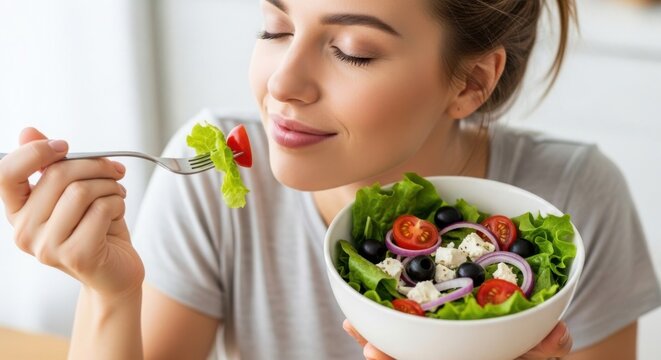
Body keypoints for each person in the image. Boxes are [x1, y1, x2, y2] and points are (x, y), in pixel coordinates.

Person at [1, 0, 659, 359]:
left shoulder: (572, 199)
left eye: (352, 51)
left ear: (470, 82)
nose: (281, 84)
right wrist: (110, 292)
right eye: (274, 26)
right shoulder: (219, 174)